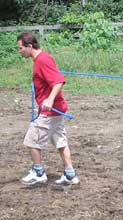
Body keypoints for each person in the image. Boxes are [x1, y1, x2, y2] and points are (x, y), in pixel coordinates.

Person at [17, 32, 79, 186]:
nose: (19, 51)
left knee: (31, 140)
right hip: (56, 110)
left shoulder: (43, 59)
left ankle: (38, 172)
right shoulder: (39, 59)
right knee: (60, 142)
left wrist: (50, 99)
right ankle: (70, 174)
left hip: (50, 111)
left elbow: (58, 81)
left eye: (20, 48)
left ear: (29, 46)